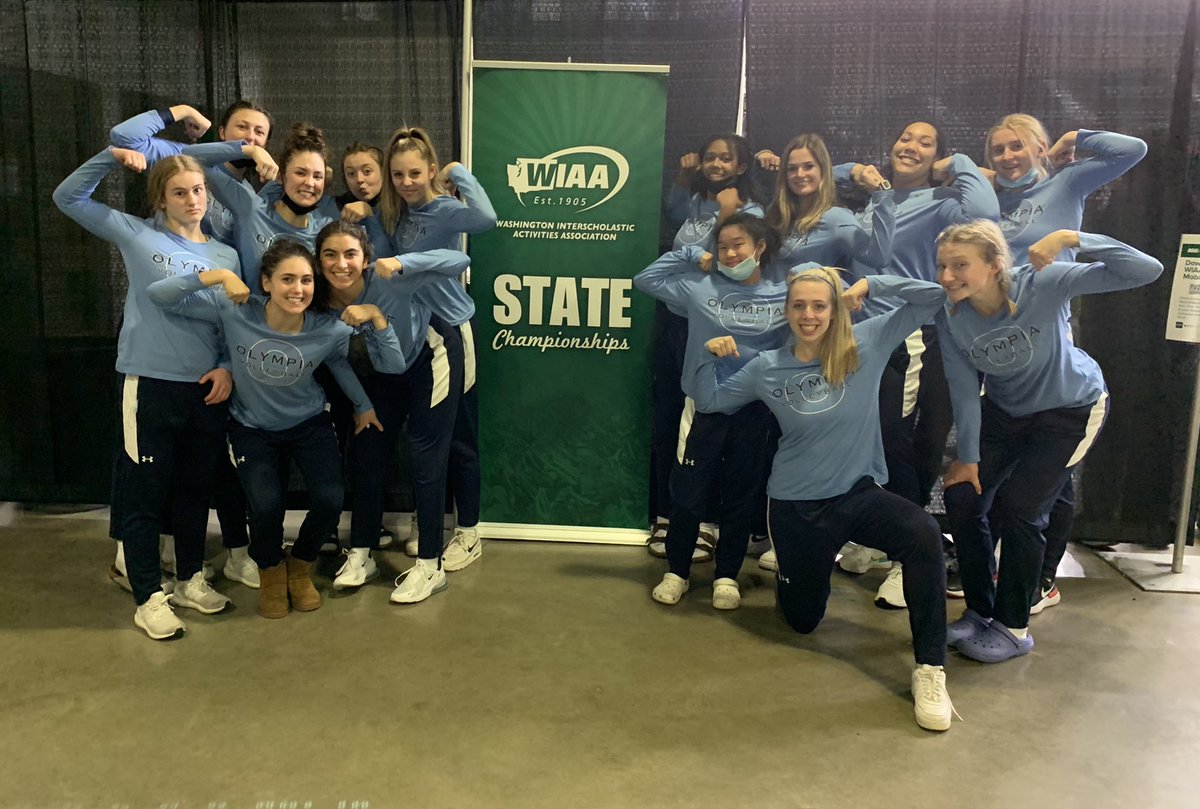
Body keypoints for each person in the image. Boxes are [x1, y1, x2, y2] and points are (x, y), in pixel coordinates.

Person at [690, 266, 954, 730]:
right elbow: (710, 401)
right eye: (799, 305)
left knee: (924, 534)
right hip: (796, 508)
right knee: (803, 622)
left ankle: (930, 667)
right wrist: (709, 356)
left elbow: (932, 297)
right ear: (787, 311)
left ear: (835, 309)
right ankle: (804, 580)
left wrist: (872, 285)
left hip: (858, 494)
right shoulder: (766, 367)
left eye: (819, 305)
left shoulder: (866, 344)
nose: (808, 315)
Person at [53, 142, 264, 639]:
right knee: (145, 495)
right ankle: (149, 595)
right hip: (150, 385)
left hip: (205, 391)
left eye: (198, 190)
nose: (193, 200)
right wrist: (111, 155)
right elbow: (68, 197)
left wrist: (226, 366)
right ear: (160, 198)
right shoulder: (136, 233)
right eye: (179, 192)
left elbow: (231, 325)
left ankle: (190, 577)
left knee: (193, 492)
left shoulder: (225, 252)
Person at [936, 221, 1162, 662]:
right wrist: (967, 457)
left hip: (1070, 411)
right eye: (942, 265)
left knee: (1022, 508)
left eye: (960, 265)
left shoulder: (1043, 283)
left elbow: (1146, 270)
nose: (947, 276)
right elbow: (964, 388)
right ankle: (980, 610)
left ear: (995, 265)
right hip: (1006, 414)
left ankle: (1014, 625)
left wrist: (1070, 239)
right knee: (963, 498)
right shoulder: (952, 314)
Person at [146, 239, 403, 618]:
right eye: (287, 280)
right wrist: (217, 276)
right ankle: (270, 570)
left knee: (330, 500)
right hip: (252, 429)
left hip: (309, 424)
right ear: (266, 282)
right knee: (265, 507)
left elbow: (378, 365)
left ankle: (299, 568)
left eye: (306, 280)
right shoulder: (235, 311)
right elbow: (158, 295)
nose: (297, 290)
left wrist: (377, 324)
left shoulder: (327, 329)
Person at [107, 101, 277, 588]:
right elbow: (123, 137)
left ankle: (210, 560)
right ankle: (132, 557)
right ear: (222, 131)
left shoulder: (244, 192)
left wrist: (227, 358)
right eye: (243, 129)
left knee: (205, 471)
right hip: (159, 339)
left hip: (214, 342)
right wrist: (181, 114)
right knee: (142, 469)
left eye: (260, 133)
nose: (252, 138)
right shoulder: (182, 160)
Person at [983, 115, 1148, 613]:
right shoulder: (989, 201)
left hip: (1050, 327)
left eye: (1018, 146)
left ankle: (1040, 578)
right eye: (997, 150)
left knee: (1043, 482)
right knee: (1020, 478)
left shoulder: (1067, 180)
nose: (1008, 157)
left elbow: (1132, 149)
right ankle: (1003, 567)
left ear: (1038, 147)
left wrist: (1075, 140)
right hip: (1003, 347)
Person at [835, 121, 999, 608]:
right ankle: (882, 540)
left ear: (937, 158)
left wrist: (961, 165)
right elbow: (829, 173)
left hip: (917, 335)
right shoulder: (867, 202)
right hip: (866, 335)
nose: (910, 146)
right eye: (904, 138)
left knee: (912, 442)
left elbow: (986, 212)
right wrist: (860, 172)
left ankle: (910, 553)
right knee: (882, 438)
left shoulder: (944, 203)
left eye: (925, 143)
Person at [635, 213, 802, 610]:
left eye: (738, 244)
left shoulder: (781, 294)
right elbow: (646, 279)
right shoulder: (699, 287)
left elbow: (820, 310)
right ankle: (677, 571)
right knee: (689, 494)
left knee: (741, 493)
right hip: (704, 406)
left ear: (759, 248)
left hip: (754, 409)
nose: (729, 253)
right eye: (722, 245)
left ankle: (727, 575)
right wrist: (693, 253)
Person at [753, 132, 897, 571]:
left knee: (818, 428)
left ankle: (836, 536)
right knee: (783, 436)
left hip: (819, 340)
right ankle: (786, 532)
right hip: (777, 341)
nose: (799, 175)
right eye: (793, 167)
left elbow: (880, 252)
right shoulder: (775, 217)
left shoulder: (836, 218)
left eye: (809, 167)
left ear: (822, 172)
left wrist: (881, 194)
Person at [365, 126, 496, 585]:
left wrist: (460, 172)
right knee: (430, 435)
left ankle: (470, 532)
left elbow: (486, 221)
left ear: (430, 170)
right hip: (418, 334)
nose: (406, 181)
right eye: (397, 174)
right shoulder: (398, 214)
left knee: (460, 435)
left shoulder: (444, 208)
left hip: (455, 330)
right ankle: (432, 525)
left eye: (415, 173)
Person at [311, 221, 471, 592]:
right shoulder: (317, 302)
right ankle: (361, 552)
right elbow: (337, 361)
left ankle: (431, 564)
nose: (341, 264)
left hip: (430, 358)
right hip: (381, 371)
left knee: (425, 455)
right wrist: (363, 405)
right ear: (318, 263)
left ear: (366, 259)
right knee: (368, 448)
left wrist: (403, 263)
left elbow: (459, 258)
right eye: (330, 255)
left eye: (351, 254)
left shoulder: (389, 279)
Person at [652, 134, 766, 564]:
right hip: (676, 321)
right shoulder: (697, 201)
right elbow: (676, 228)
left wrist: (729, 212)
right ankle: (674, 516)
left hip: (719, 331)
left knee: (713, 425)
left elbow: (727, 263)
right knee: (673, 419)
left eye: (726, 158)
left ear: (740, 166)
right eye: (710, 156)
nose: (716, 164)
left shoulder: (749, 211)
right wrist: (684, 178)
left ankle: (709, 523)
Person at [205, 122, 338, 280]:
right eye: (300, 173)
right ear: (281, 176)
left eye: (317, 176)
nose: (310, 183)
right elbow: (190, 157)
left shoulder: (325, 231)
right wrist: (250, 151)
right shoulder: (252, 209)